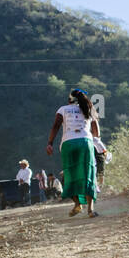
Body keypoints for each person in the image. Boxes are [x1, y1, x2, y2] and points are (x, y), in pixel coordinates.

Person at [45, 88, 100, 218]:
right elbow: (96, 130)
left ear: (69, 100)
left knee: (70, 174)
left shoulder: (63, 109)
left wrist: (50, 143)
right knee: (88, 175)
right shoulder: (88, 109)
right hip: (85, 142)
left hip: (68, 143)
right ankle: (90, 210)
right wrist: (95, 139)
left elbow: (55, 126)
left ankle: (77, 204)